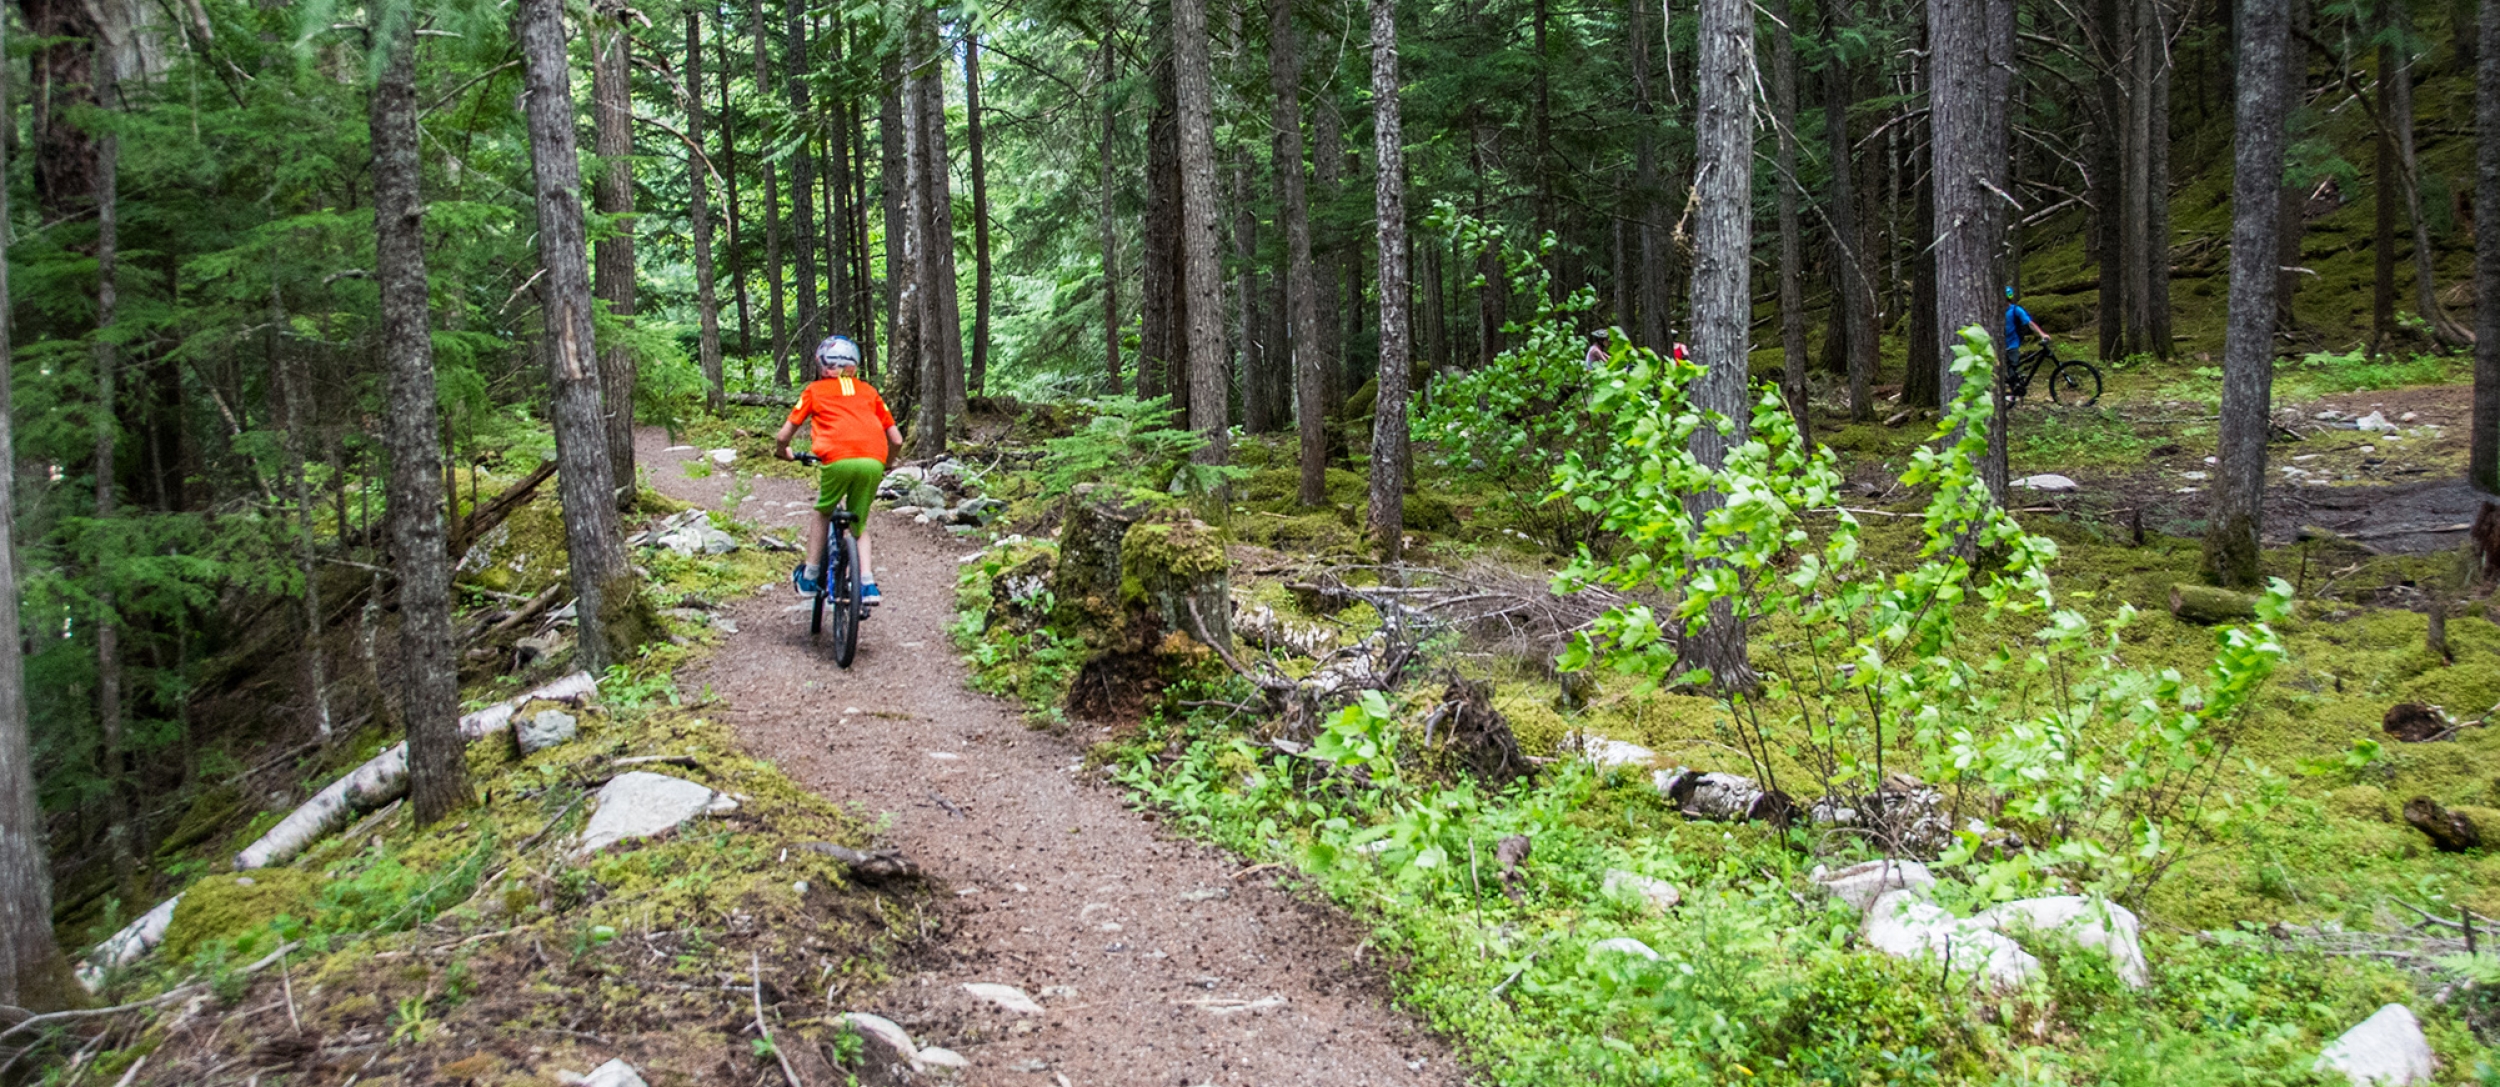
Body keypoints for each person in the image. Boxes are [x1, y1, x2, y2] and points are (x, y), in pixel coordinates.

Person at [774, 335, 903, 605]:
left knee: (823, 512)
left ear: (822, 365)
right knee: (859, 524)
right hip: (873, 461)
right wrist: (887, 463)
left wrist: (783, 451)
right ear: (854, 365)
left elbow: (783, 435)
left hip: (836, 459)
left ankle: (810, 576)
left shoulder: (815, 391)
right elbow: (897, 439)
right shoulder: (869, 392)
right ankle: (867, 584)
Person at [2004, 286, 2053, 355]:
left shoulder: (2016, 310)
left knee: (2013, 364)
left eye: (2006, 300)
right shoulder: (1994, 312)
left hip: (2013, 346)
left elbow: (2030, 323)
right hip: (1998, 347)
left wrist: (2042, 334)